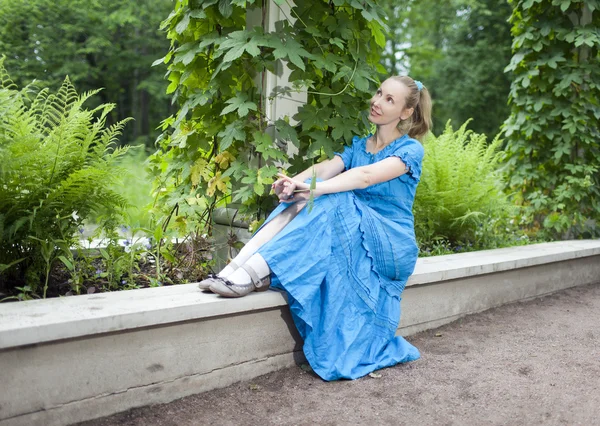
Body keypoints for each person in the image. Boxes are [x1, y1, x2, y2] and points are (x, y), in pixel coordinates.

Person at [199, 76, 432, 381]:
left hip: (389, 242)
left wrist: (316, 189)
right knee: (303, 195)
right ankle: (236, 269)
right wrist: (296, 182)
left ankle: (252, 275)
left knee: (330, 194)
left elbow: (364, 177)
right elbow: (325, 168)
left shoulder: (410, 150)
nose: (377, 101)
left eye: (389, 99)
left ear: (405, 112)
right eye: (378, 93)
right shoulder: (359, 145)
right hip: (353, 224)